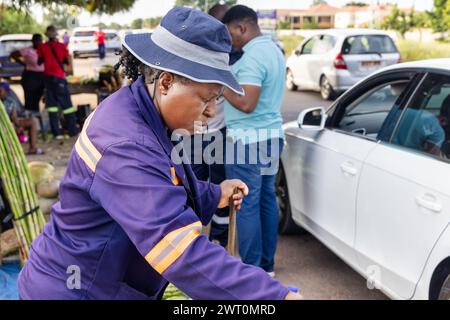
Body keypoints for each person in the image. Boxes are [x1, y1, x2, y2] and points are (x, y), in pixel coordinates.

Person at [17, 7, 302, 300]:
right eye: (206, 98)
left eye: (216, 99)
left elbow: (163, 185)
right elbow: (177, 250)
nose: (212, 111)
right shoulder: (124, 142)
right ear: (166, 82)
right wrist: (275, 297)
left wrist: (216, 193)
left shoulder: (146, 113)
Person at [221, 5, 286, 277]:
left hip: (247, 141)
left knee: (245, 203)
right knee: (266, 200)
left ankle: (252, 273)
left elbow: (247, 102)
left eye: (230, 34)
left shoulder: (250, 57)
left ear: (242, 28)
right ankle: (266, 268)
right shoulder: (273, 50)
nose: (230, 41)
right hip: (271, 136)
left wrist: (221, 84)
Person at [187, 3, 239, 247]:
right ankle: (188, 236)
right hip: (192, 131)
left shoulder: (235, 56)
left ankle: (217, 238)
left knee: (220, 186)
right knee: (192, 183)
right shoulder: (196, 54)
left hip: (219, 131)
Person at [37, 25, 79, 139]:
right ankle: (72, 131)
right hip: (60, 78)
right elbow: (66, 61)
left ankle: (56, 133)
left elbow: (39, 62)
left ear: (46, 34)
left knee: (52, 106)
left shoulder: (42, 47)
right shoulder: (62, 46)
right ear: (56, 34)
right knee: (67, 106)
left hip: (48, 79)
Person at [0, 82, 43, 155]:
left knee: (32, 122)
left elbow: (14, 116)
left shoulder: (10, 101)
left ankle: (33, 148)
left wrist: (18, 125)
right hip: (3, 125)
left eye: (1, 91)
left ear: (6, 91)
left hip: (10, 123)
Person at [10, 34, 45, 113]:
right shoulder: (28, 50)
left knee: (38, 98)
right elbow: (13, 54)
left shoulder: (43, 50)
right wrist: (24, 64)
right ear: (33, 41)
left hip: (42, 76)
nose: (39, 42)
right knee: (30, 100)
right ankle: (30, 119)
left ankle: (36, 119)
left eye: (40, 40)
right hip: (30, 76)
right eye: (37, 40)